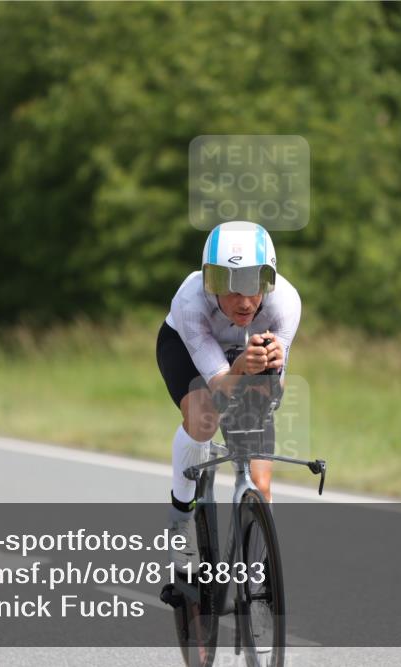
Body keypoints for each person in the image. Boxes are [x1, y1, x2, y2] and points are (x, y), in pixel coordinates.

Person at [156, 220, 301, 569]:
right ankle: (181, 518)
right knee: (203, 418)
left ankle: (260, 577)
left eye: (256, 283)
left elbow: (274, 393)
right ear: (210, 282)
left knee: (262, 485)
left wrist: (273, 371)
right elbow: (219, 385)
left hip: (244, 358)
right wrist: (240, 369)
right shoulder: (190, 301)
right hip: (188, 350)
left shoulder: (286, 303)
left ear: (271, 279)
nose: (246, 301)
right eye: (230, 286)